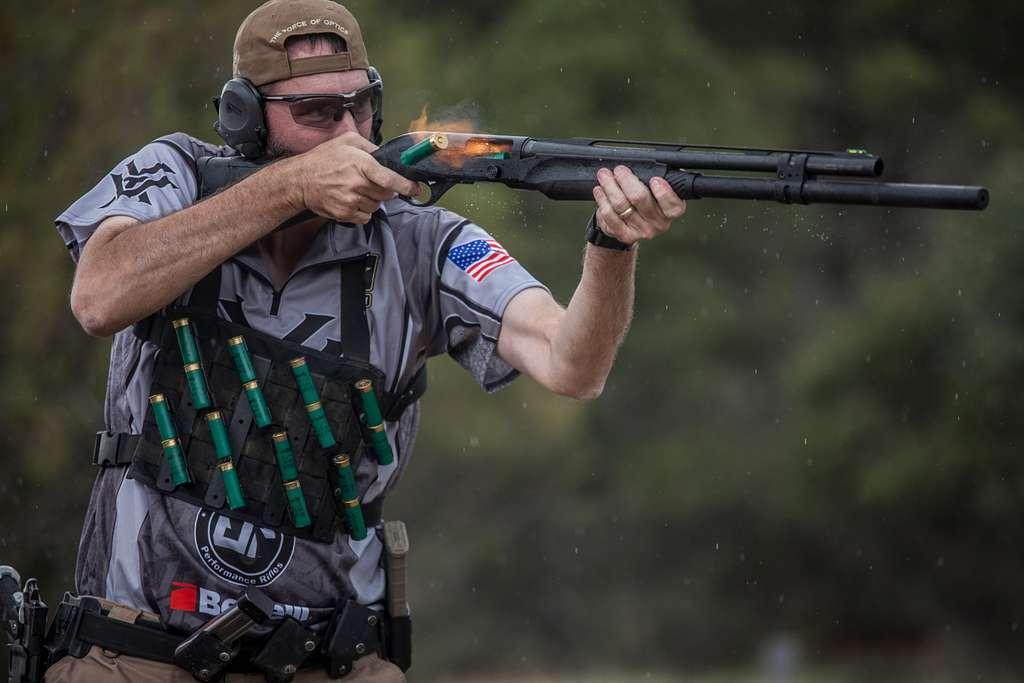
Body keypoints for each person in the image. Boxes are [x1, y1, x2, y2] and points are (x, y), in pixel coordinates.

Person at [45, 1, 686, 681]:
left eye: (361, 107)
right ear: (244, 117)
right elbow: (98, 295)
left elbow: (572, 365)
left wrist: (611, 242)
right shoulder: (177, 173)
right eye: (317, 114)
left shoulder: (421, 240)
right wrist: (292, 185)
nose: (350, 133)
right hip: (139, 652)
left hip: (327, 661)